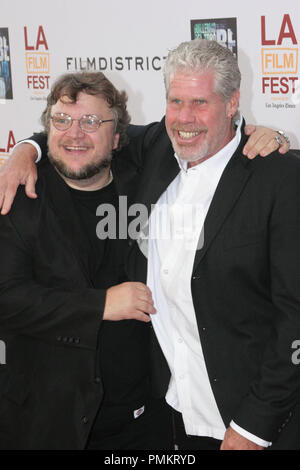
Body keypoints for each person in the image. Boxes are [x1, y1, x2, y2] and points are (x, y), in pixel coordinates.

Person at [125, 39, 300, 450]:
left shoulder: (280, 177)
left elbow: (295, 317)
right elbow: (85, 134)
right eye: (175, 101)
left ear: (233, 102)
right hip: (174, 416)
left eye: (200, 103)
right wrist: (30, 149)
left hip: (252, 427)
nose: (185, 118)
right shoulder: (156, 150)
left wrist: (254, 426)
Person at [0, 71, 173, 450]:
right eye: (62, 121)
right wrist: (100, 305)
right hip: (47, 423)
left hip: (142, 422)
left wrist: (265, 136)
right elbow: (6, 300)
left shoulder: (143, 179)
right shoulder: (16, 196)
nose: (74, 133)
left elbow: (202, 136)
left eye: (91, 122)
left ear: (116, 137)